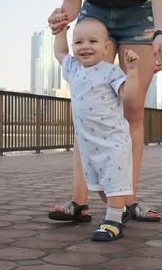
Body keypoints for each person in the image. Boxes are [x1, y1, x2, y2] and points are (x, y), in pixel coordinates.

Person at [48, 0, 162, 223]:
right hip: (95, 15)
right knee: (91, 108)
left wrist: (160, 34)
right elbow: (71, 3)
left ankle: (128, 201)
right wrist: (59, 19)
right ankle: (80, 203)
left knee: (132, 110)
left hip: (140, 18)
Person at [54, 18, 141, 241]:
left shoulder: (110, 71)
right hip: (89, 144)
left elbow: (129, 96)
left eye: (93, 41)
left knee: (114, 182)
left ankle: (113, 222)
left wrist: (132, 72)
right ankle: (119, 211)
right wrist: (61, 32)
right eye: (79, 42)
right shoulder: (73, 69)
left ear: (105, 48)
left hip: (114, 142)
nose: (85, 46)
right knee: (100, 186)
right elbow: (60, 53)